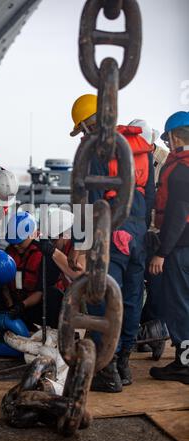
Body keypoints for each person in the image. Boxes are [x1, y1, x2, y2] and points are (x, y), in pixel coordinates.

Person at [69, 94, 155, 392]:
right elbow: (151, 197)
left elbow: (86, 202)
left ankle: (105, 371)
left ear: (86, 125)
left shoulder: (94, 150)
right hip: (138, 237)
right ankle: (123, 364)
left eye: (81, 129)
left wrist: (80, 248)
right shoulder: (138, 148)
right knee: (130, 301)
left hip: (111, 236)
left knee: (102, 302)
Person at [148, 111, 189, 384]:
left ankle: (184, 363)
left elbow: (178, 215)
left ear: (174, 137)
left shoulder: (179, 170)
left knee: (180, 305)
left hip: (180, 247)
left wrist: (162, 253)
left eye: (168, 138)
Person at [129, 120, 169, 360]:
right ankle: (142, 332)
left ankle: (151, 329)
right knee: (134, 284)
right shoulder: (131, 156)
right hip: (136, 232)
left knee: (156, 284)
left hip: (158, 234)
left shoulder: (165, 161)